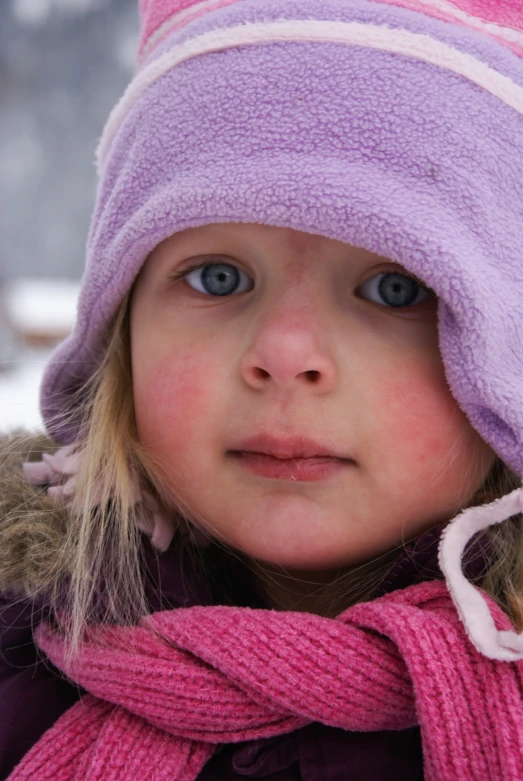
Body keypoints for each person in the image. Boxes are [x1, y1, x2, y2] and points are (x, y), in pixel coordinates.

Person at [1, 0, 523, 778]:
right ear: (120, 331)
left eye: (393, 288)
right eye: (219, 277)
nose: (285, 354)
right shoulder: (23, 664)